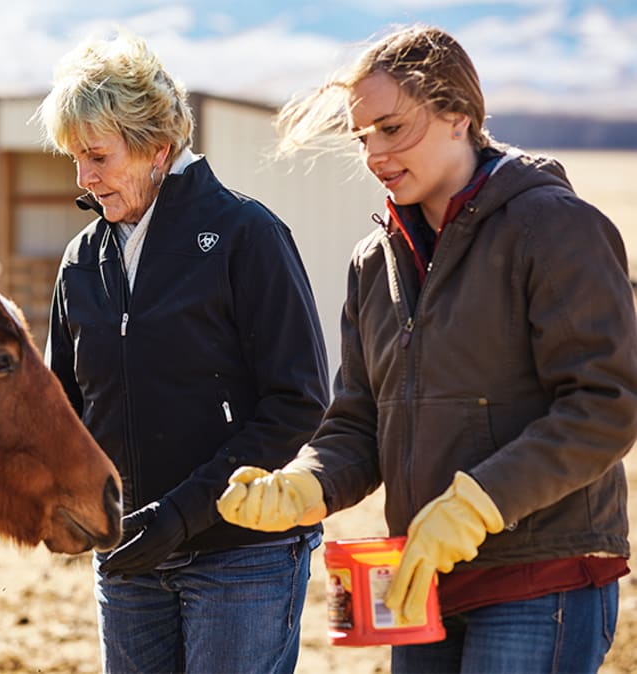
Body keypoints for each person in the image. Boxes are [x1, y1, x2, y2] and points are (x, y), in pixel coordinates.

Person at [216, 24, 637, 674]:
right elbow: (360, 422)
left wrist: (478, 504)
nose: (375, 153)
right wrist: (306, 484)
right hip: (417, 580)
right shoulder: (372, 261)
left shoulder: (555, 227)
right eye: (362, 137)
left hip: (541, 576)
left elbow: (608, 405)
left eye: (392, 128)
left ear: (458, 115)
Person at [38, 31, 331, 674]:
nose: (83, 179)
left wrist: (182, 514)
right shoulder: (82, 261)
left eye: (97, 157)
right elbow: (61, 406)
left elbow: (299, 402)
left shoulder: (245, 235)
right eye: (74, 159)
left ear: (156, 148)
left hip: (242, 556)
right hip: (128, 559)